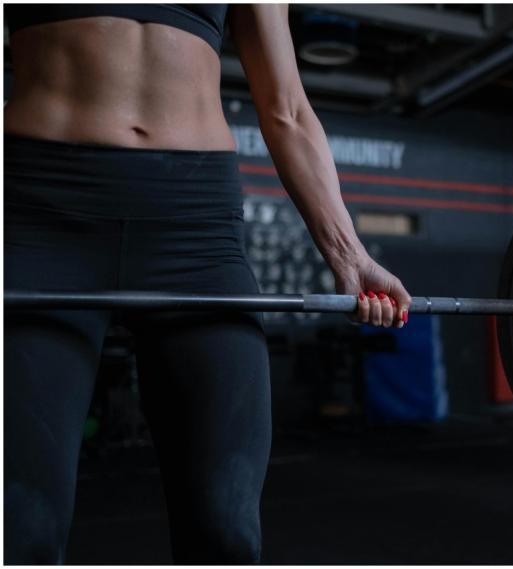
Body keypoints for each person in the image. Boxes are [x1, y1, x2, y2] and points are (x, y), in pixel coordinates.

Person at [4, 4, 411, 564]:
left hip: (195, 229)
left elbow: (286, 106)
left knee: (226, 533)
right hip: (40, 212)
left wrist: (348, 252)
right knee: (22, 529)